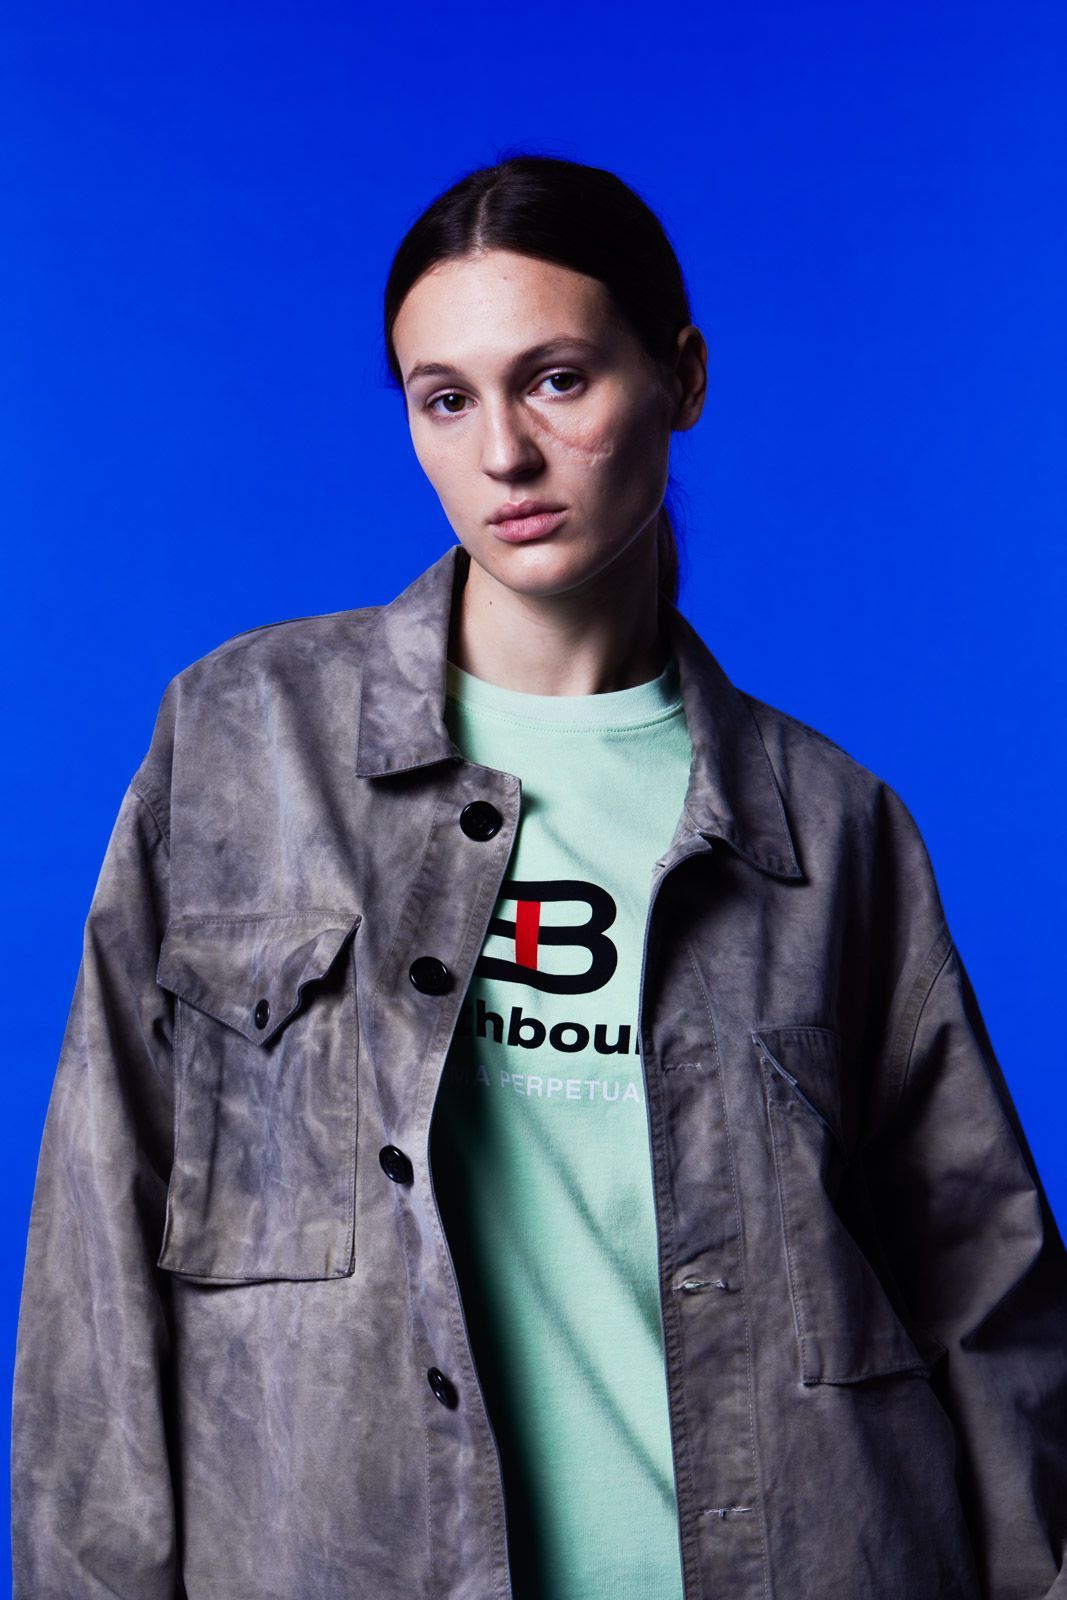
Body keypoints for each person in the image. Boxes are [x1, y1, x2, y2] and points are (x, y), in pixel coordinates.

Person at [10, 152, 1067, 1600]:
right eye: (444, 400)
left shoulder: (830, 826)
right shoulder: (242, 743)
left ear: (681, 378)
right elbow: (96, 1246)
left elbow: (984, 1295)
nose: (503, 453)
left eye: (557, 380)